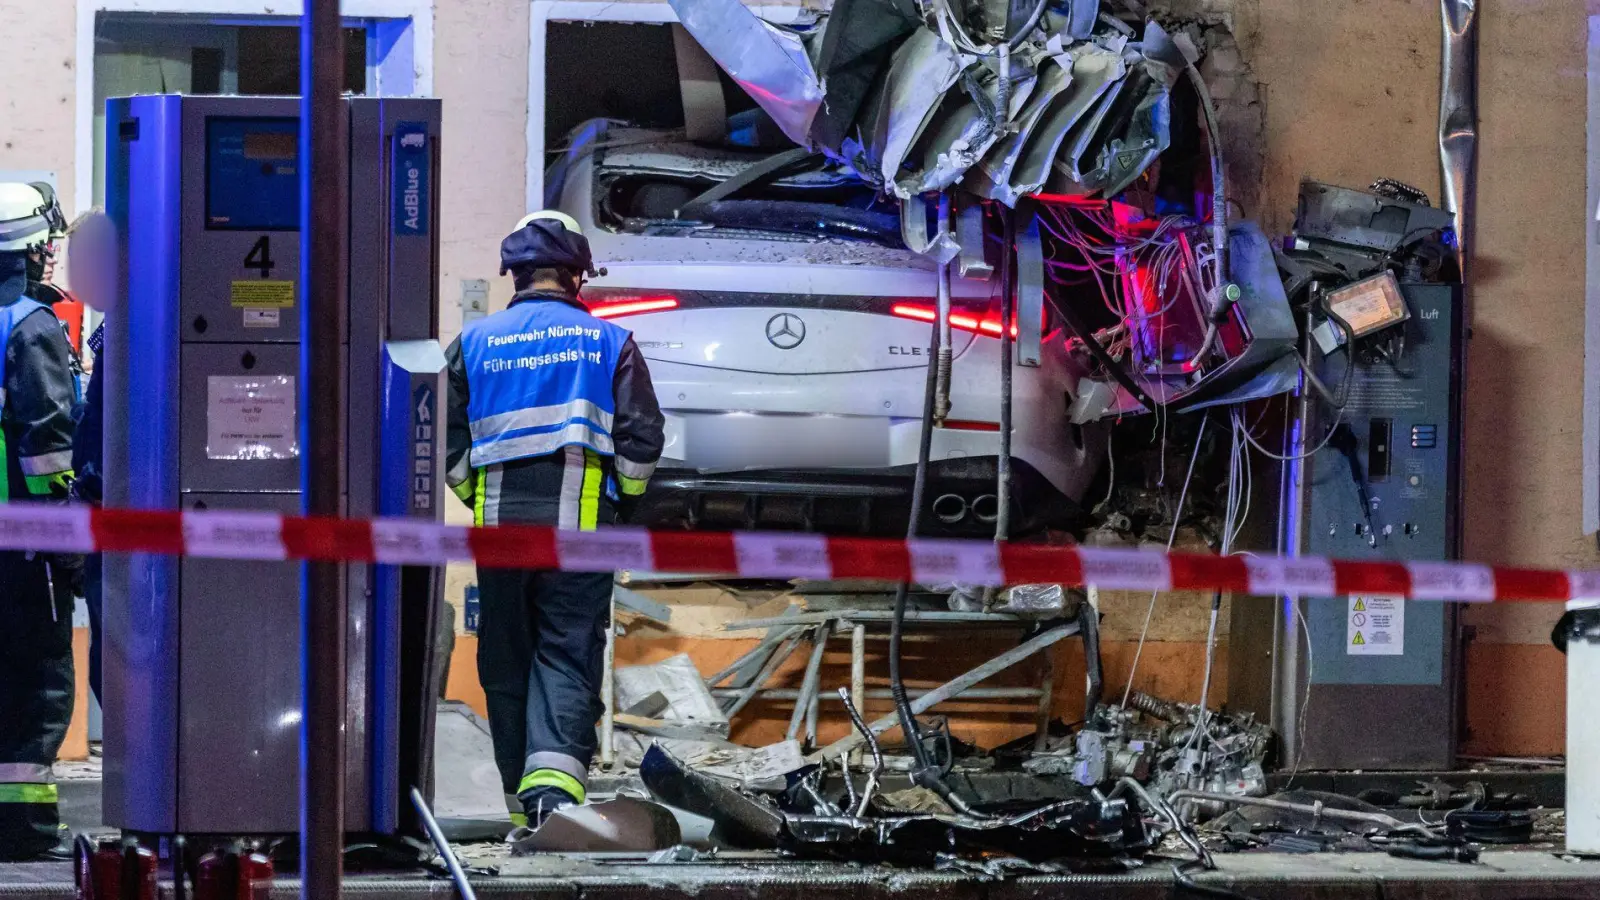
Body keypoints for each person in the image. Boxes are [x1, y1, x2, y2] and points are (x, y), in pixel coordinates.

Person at [444, 211, 664, 834]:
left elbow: (445, 441)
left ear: (513, 274)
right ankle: (552, 804)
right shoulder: (608, 343)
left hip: (500, 536)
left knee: (505, 661)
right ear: (577, 276)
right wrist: (623, 501)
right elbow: (642, 439)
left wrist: (475, 499)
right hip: (582, 533)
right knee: (566, 657)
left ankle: (521, 804)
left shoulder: (474, 344)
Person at [0, 182, 80, 861]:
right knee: (36, 685)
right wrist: (68, 543)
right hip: (22, 547)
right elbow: (47, 448)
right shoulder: (30, 326)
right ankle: (23, 830)